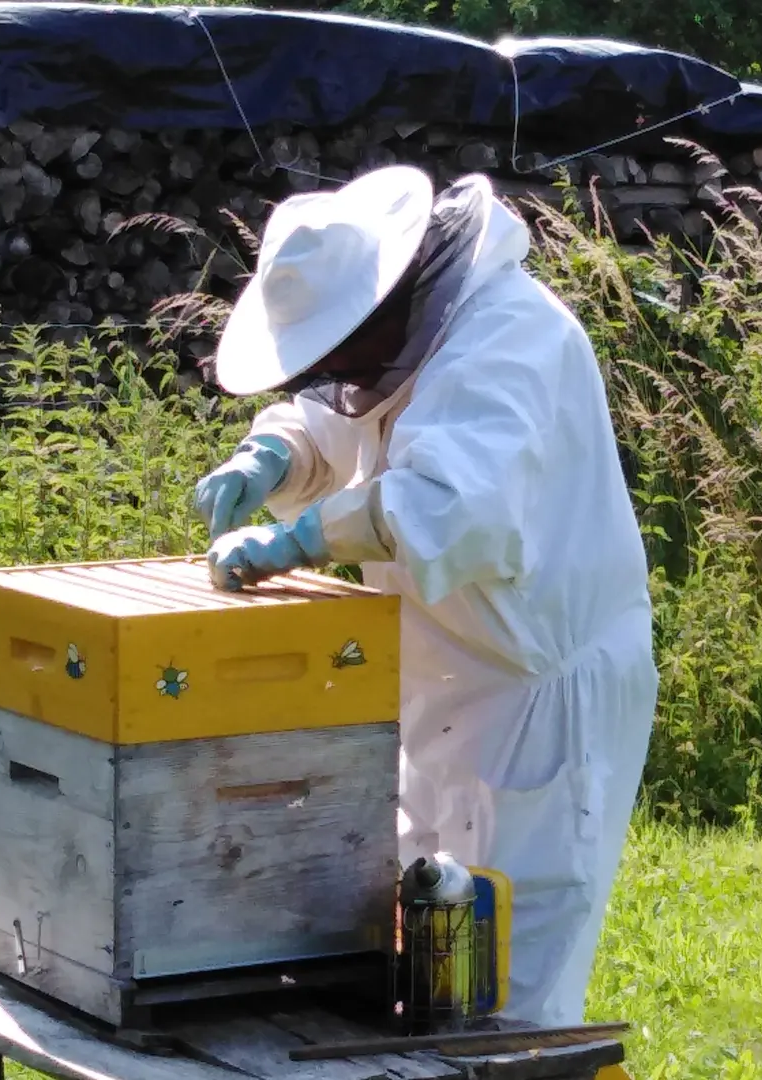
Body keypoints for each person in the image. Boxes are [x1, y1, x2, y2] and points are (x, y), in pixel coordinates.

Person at [193, 164, 656, 1028]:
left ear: (383, 304)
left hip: (541, 697)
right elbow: (334, 420)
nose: (329, 369)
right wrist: (270, 458)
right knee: (422, 956)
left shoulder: (509, 341)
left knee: (512, 983)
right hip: (447, 681)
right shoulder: (399, 339)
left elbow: (455, 507)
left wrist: (302, 538)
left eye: (334, 346)